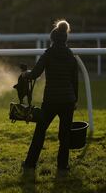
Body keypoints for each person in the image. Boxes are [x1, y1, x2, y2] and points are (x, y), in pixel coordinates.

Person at [22, 20, 78, 172]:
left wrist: (25, 74)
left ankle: (30, 163)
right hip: (68, 100)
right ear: (65, 39)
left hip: (51, 99)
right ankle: (62, 166)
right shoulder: (71, 55)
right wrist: (75, 100)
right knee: (65, 135)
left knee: (40, 131)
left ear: (52, 39)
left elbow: (35, 74)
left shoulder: (48, 54)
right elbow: (75, 81)